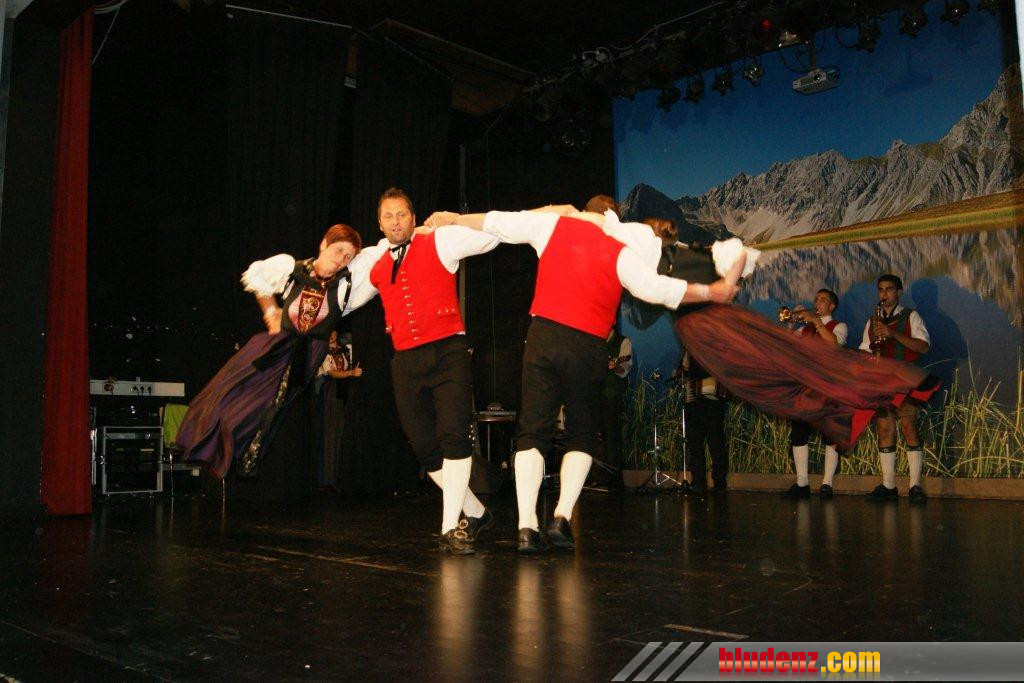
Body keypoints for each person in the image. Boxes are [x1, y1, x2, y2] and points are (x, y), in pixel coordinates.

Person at [426, 203, 738, 553]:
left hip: (544, 337)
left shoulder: (552, 226)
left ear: (584, 210)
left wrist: (452, 218)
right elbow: (656, 290)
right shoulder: (620, 248)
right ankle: (561, 517)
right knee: (582, 434)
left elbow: (496, 222)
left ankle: (526, 527)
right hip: (587, 344)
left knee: (532, 433)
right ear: (613, 216)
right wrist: (711, 291)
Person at [640, 219, 939, 457]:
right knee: (766, 373)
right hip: (706, 328)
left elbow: (741, 255)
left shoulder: (688, 257)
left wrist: (721, 288)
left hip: (715, 323)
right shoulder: (662, 266)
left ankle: (898, 385)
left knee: (773, 362)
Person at [177, 223, 378, 483]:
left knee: (270, 415)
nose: (341, 259)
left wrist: (420, 231)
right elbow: (257, 277)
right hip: (278, 348)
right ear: (324, 244)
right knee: (233, 397)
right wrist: (271, 311)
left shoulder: (345, 287)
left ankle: (245, 463)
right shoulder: (293, 268)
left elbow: (384, 253)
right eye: (339, 250)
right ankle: (210, 445)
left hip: (306, 357)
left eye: (348, 256)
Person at [363, 187, 500, 554]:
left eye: (401, 215)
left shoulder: (440, 241)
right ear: (380, 224)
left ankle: (450, 527)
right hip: (405, 360)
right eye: (388, 216)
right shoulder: (374, 261)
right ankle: (475, 512)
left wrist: (455, 220)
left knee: (454, 437)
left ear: (413, 217)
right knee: (424, 448)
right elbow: (346, 292)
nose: (395, 222)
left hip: (447, 353)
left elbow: (491, 237)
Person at [859, 274, 931, 504]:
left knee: (909, 426)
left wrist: (893, 335)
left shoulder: (911, 316)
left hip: (905, 379)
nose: (884, 294)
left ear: (899, 292)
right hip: (882, 382)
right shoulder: (873, 321)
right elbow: (864, 350)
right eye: (881, 289)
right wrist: (870, 359)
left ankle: (915, 486)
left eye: (889, 289)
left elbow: (923, 347)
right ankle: (889, 485)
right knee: (884, 429)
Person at [780, 289, 849, 500]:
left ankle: (827, 483)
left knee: (830, 434)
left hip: (828, 387)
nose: (817, 303)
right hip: (806, 387)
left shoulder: (839, 326)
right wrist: (790, 324)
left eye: (822, 300)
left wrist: (816, 322)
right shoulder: (805, 329)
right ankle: (802, 483)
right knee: (799, 432)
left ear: (832, 306)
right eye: (816, 299)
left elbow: (833, 345)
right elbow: (784, 346)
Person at [677, 350, 729, 496]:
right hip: (694, 395)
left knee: (715, 441)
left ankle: (718, 482)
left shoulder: (711, 346)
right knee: (695, 441)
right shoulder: (690, 347)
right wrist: (684, 362)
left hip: (711, 395)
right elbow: (684, 368)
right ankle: (699, 481)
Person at [316, 331, 362, 488]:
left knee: (341, 431)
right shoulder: (322, 351)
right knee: (330, 432)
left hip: (344, 391)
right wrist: (351, 373)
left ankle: (339, 476)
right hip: (330, 392)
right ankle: (327, 477)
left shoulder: (345, 348)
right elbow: (331, 372)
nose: (331, 335)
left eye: (333, 331)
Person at [598, 325, 631, 489]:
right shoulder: (595, 341)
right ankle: (598, 477)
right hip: (595, 396)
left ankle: (614, 480)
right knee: (597, 437)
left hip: (612, 396)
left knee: (612, 438)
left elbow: (625, 367)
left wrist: (615, 365)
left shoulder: (623, 342)